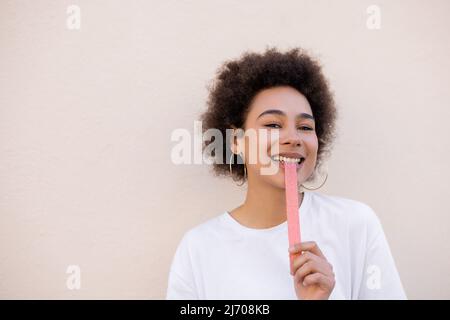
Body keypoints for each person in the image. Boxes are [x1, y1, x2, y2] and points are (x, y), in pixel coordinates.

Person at [166, 47, 407, 299]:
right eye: (272, 124)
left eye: (305, 127)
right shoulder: (198, 249)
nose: (293, 138)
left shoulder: (356, 224)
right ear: (236, 140)